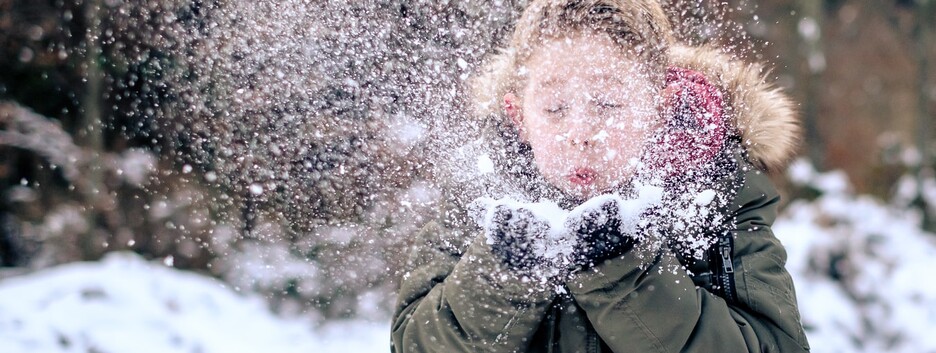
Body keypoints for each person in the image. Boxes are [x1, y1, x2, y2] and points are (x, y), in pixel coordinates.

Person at [391, 0, 810, 352]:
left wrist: (624, 268)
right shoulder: (483, 197)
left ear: (659, 109)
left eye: (608, 104)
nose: (581, 135)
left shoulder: (711, 194)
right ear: (520, 117)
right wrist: (508, 270)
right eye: (555, 108)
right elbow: (415, 343)